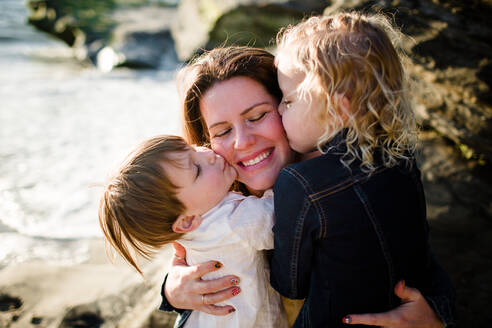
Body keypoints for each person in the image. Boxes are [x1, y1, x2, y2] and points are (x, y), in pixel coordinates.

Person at [160, 46, 456, 328]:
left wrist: (435, 315)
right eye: (222, 131)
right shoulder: (209, 205)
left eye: (257, 116)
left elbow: (421, 262)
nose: (242, 141)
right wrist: (172, 293)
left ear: (290, 105)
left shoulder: (346, 187)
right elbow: (190, 263)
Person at [269, 12, 447, 327]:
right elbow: (420, 253)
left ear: (338, 108)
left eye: (289, 100)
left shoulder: (299, 182)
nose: (279, 109)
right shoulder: (402, 158)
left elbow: (289, 285)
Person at [98, 135, 288, 328]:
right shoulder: (231, 222)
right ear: (186, 221)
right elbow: (288, 212)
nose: (208, 155)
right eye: (197, 170)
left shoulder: (194, 228)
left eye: (193, 149)